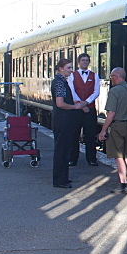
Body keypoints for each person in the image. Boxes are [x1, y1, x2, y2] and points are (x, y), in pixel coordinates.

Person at [97, 67, 127, 193]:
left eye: (111, 76)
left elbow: (111, 113)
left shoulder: (114, 91)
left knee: (118, 156)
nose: (110, 78)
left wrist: (103, 130)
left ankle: (123, 184)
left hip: (117, 125)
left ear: (117, 76)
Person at [51, 58, 84, 189]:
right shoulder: (59, 83)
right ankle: (60, 180)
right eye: (69, 68)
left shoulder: (60, 81)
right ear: (61, 68)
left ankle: (63, 177)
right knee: (62, 150)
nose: (71, 71)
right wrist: (74, 107)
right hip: (62, 121)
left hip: (63, 121)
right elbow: (60, 103)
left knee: (64, 150)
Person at [68, 53, 100, 167]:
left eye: (87, 60)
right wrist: (81, 105)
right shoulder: (72, 75)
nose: (85, 62)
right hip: (76, 110)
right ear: (78, 62)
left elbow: (96, 92)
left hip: (90, 110)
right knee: (74, 134)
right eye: (83, 60)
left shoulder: (94, 76)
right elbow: (72, 91)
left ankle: (91, 158)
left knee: (90, 135)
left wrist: (87, 102)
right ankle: (72, 159)